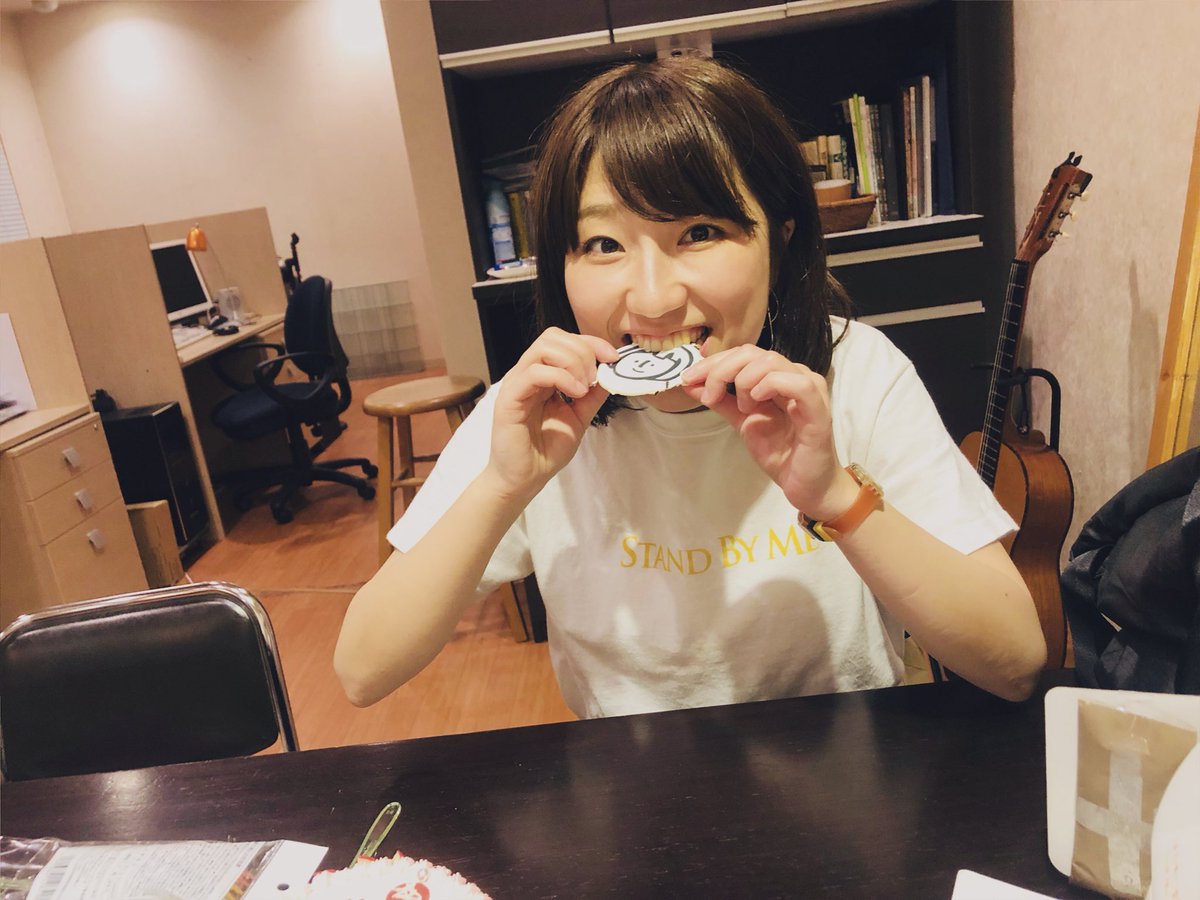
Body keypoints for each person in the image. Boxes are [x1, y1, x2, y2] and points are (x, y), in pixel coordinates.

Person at [335, 56, 1046, 716]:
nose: (652, 300)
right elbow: (362, 670)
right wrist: (502, 487)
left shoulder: (855, 371)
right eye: (603, 245)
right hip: (635, 783)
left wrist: (836, 496)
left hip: (851, 763)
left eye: (700, 231)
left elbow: (1015, 662)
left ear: (780, 238)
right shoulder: (533, 415)